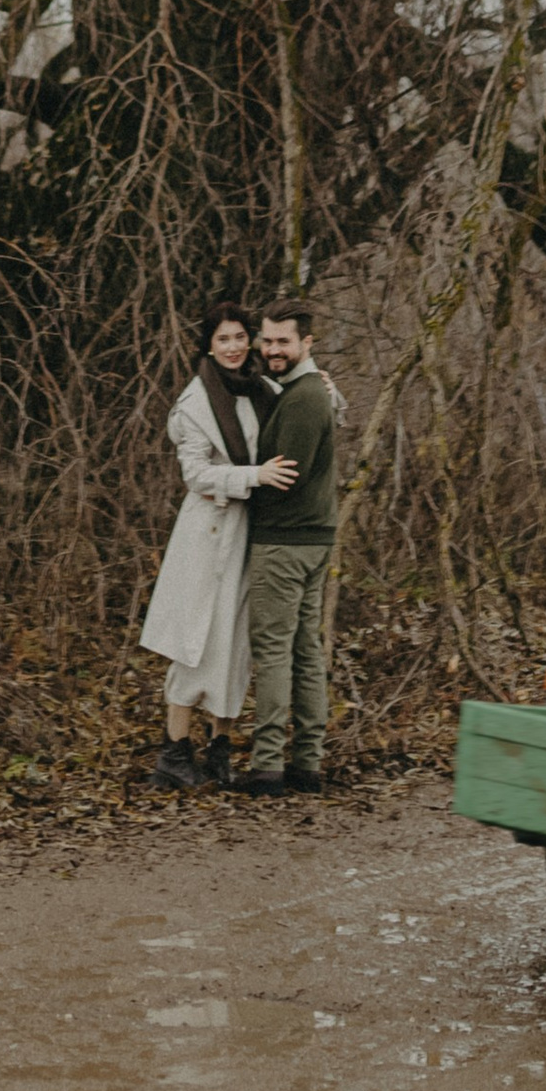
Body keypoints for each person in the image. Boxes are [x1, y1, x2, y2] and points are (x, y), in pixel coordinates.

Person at [138, 305, 298, 787]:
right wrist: (255, 475)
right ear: (208, 345)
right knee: (196, 640)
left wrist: (326, 392)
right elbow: (195, 475)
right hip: (207, 535)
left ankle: (219, 748)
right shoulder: (193, 404)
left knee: (235, 640)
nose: (234, 346)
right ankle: (173, 753)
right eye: (224, 338)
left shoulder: (261, 390)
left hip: (249, 531)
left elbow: (300, 416)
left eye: (240, 337)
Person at [234, 299, 338, 797]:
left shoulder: (304, 397)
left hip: (285, 541)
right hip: (311, 539)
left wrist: (240, 481)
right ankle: (306, 764)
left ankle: (268, 767)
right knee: (304, 650)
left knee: (275, 652)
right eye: (268, 340)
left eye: (283, 342)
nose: (273, 350)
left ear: (306, 343)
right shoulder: (306, 391)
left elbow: (286, 477)